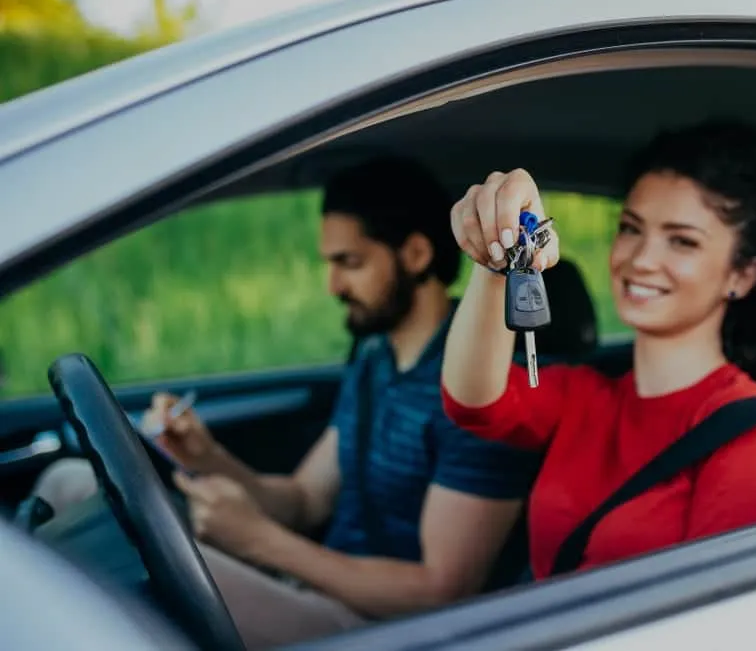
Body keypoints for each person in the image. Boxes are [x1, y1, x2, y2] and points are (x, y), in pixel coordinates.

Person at [30, 156, 540, 649]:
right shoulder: (375, 358)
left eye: (351, 263)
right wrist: (207, 458)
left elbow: (440, 591)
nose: (333, 285)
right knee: (69, 484)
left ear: (415, 255)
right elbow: (303, 499)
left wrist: (264, 544)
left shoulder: (482, 387)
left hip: (374, 628)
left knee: (99, 553)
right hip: (311, 585)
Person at [440, 120, 756, 581]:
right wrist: (497, 258)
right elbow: (474, 403)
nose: (640, 260)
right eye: (631, 229)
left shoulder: (752, 437)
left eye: (682, 241)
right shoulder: (585, 396)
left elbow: (722, 620)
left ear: (742, 275)